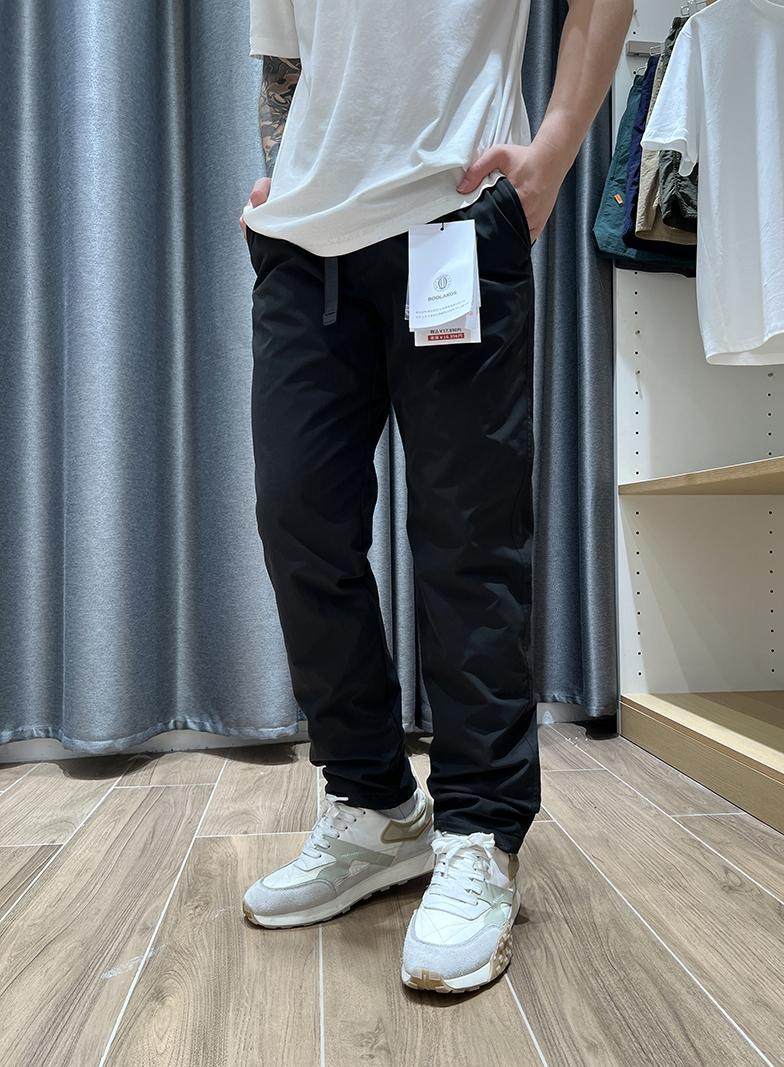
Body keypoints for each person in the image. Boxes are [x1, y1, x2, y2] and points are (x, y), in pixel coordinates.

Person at [239, 0, 631, 994]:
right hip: (302, 248)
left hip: (453, 218)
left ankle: (478, 829)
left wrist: (551, 152)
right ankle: (373, 807)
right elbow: (284, 59)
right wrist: (285, 170)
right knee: (297, 519)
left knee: (468, 538)